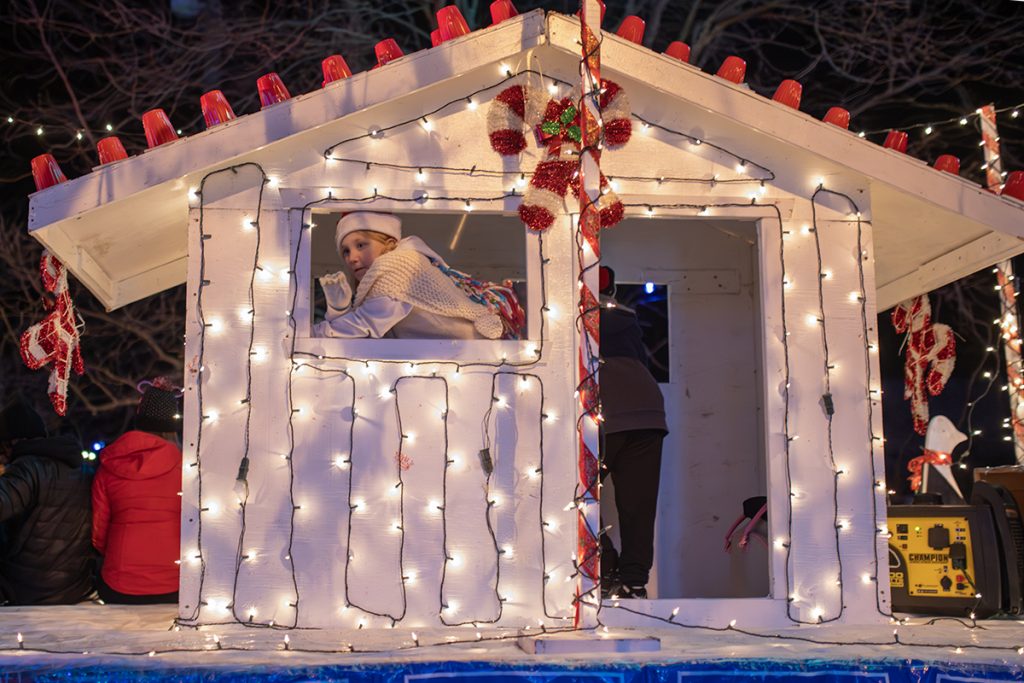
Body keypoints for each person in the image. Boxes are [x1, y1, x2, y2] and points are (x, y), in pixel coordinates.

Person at [313, 212, 508, 340]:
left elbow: (366, 325)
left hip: (470, 355)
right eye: (345, 251)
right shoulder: (389, 270)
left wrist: (311, 333)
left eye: (361, 245)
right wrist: (339, 308)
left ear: (389, 243)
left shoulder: (398, 266)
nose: (352, 258)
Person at [598, 266, 668, 600]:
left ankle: (606, 567)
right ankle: (634, 582)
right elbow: (640, 361)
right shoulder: (625, 316)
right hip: (647, 409)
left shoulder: (568, 315)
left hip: (604, 410)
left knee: (570, 497)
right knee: (639, 506)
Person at [91, 378, 182, 604]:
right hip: (175, 584)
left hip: (119, 585)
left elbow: (98, 533)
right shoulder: (187, 467)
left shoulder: (110, 464)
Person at [0, 396, 93, 605]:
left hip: (25, 587)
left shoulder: (28, 468)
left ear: (14, 442)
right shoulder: (81, 469)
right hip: (75, 586)